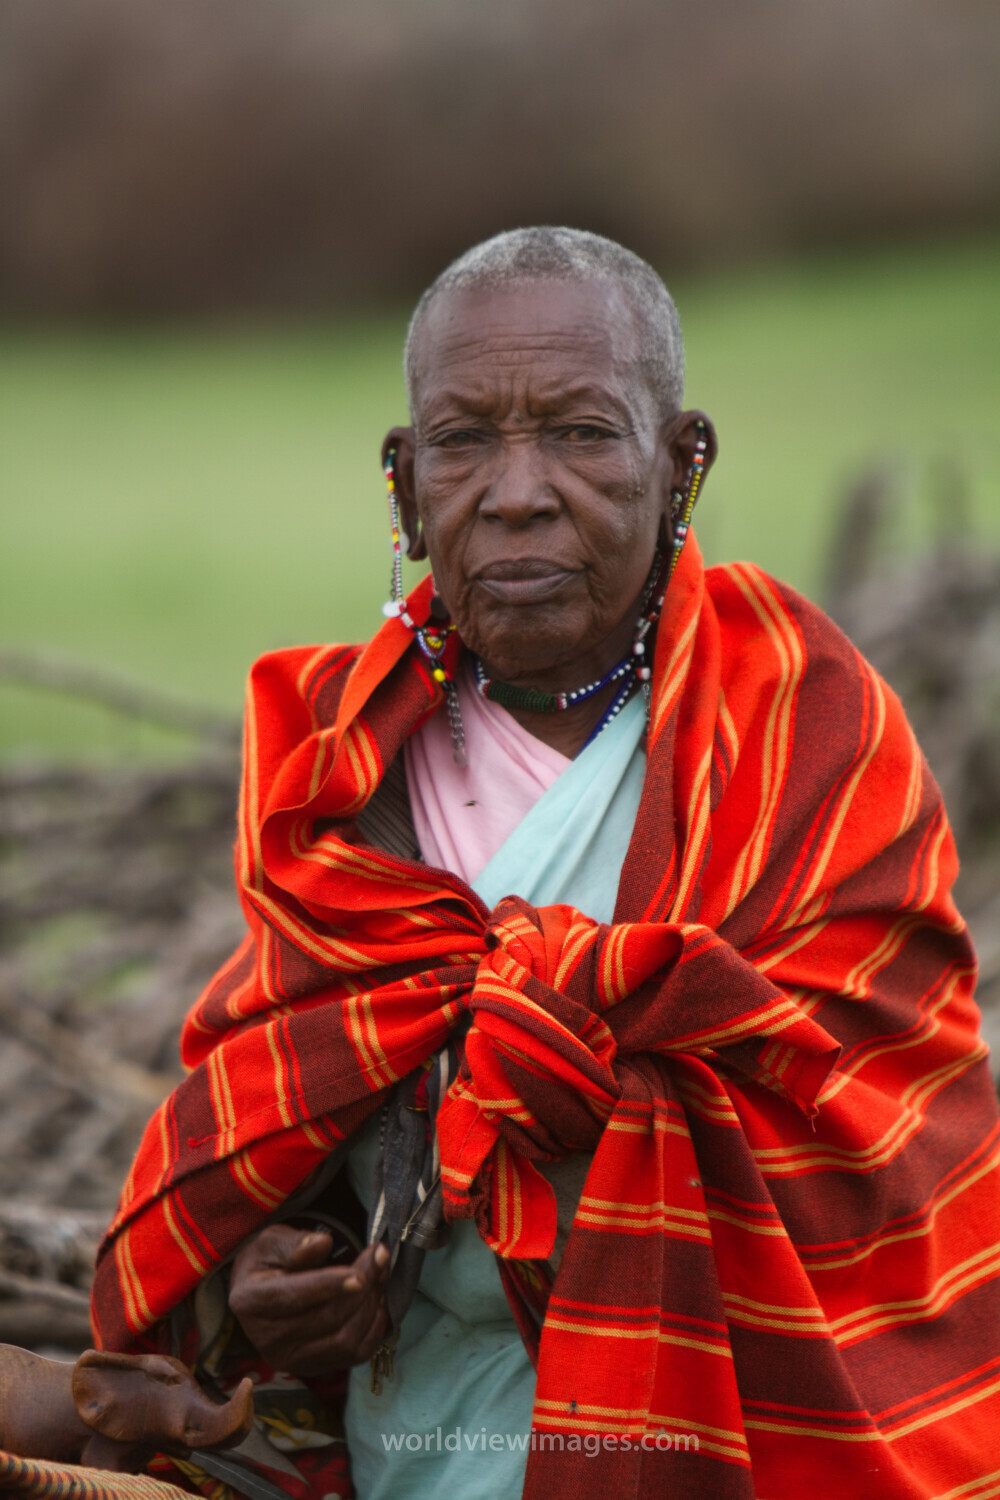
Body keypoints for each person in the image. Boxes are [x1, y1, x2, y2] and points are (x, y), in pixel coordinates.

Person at [90, 228, 1000, 1500]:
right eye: (464, 442)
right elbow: (280, 1112)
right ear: (405, 486)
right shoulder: (335, 776)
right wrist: (281, 1280)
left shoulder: (800, 725)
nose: (515, 490)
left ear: (682, 461)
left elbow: (883, 1147)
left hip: (748, 1440)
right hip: (423, 1443)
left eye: (579, 433)